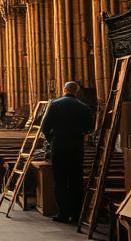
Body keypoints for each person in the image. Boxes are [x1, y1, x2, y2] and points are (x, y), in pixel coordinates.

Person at [41, 80, 94, 224]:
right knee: (76, 180)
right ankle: (76, 214)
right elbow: (90, 127)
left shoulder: (55, 104)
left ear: (64, 89)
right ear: (77, 91)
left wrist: (52, 139)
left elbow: (45, 127)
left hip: (59, 146)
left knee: (60, 180)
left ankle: (63, 213)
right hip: (76, 147)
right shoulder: (83, 107)